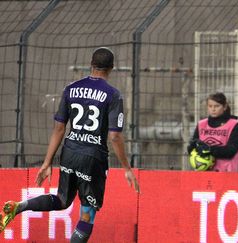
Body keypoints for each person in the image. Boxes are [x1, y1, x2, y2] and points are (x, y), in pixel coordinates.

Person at [0, 47, 140, 242]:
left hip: (69, 152)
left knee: (62, 200)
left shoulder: (71, 89)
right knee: (87, 214)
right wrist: (127, 167)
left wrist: (47, 162)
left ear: (91, 65)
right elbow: (115, 136)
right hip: (93, 157)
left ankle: (20, 206)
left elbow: (59, 128)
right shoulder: (113, 95)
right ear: (111, 68)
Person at [187, 92, 238, 172]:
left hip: (226, 173)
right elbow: (195, 148)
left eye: (217, 106)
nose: (213, 109)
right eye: (210, 106)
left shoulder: (234, 124)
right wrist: (192, 149)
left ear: (224, 107)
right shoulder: (201, 124)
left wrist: (209, 149)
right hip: (204, 172)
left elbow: (231, 150)